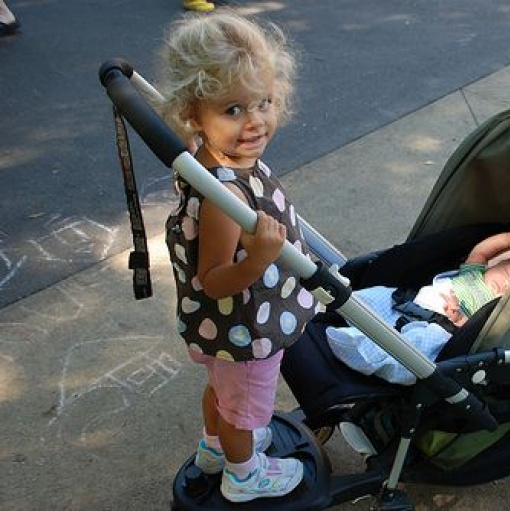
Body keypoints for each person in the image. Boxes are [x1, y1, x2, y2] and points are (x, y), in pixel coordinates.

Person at [156, 11, 316, 502]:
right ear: (194, 113)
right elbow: (214, 279)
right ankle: (244, 475)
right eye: (233, 109)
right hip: (244, 328)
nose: (256, 121)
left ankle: (214, 448)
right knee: (244, 410)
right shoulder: (225, 200)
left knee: (222, 392)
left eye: (264, 102)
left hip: (219, 331)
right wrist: (257, 260)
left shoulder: (203, 158)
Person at [326, 208, 510, 384]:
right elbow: (481, 251)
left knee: (421, 345)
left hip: (440, 326)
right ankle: (339, 302)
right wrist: (507, 240)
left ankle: (367, 351)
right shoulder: (473, 275)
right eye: (506, 273)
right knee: (377, 296)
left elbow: (479, 330)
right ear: (493, 266)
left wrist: (460, 319)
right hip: (407, 302)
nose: (506, 283)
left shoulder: (493, 307)